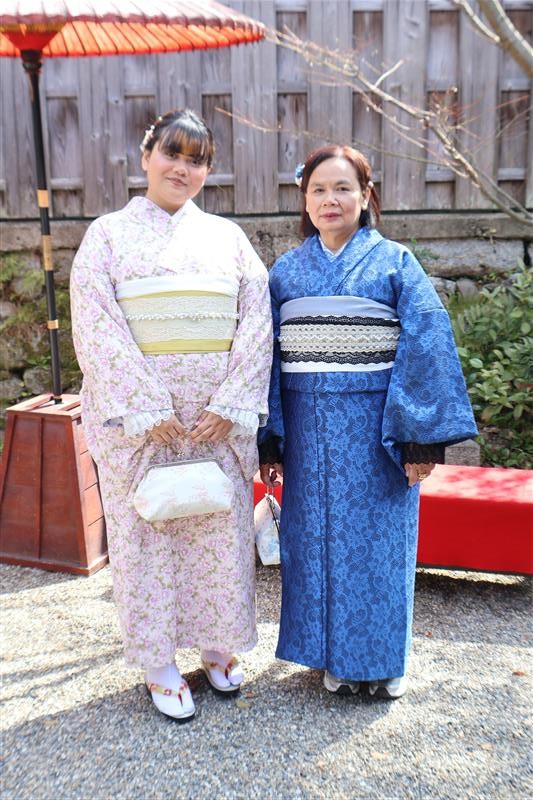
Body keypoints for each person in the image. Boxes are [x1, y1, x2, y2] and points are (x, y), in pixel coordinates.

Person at [70, 109, 273, 722]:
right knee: (147, 536)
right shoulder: (107, 235)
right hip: (142, 426)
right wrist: (144, 405)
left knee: (220, 532)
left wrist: (230, 405)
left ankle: (217, 645)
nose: (182, 168)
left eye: (196, 160)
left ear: (207, 171)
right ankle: (158, 660)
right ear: (146, 155)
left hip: (214, 423)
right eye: (171, 154)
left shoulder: (227, 238)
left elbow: (256, 322)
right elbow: (96, 324)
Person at [259, 145, 477, 700]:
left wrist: (418, 438)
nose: (330, 200)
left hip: (376, 430)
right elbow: (267, 357)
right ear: (305, 200)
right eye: (318, 190)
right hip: (307, 430)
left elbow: (426, 339)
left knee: (379, 547)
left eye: (342, 188)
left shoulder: (394, 262)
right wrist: (271, 437)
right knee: (313, 543)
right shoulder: (286, 272)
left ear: (365, 195)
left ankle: (382, 661)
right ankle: (332, 658)